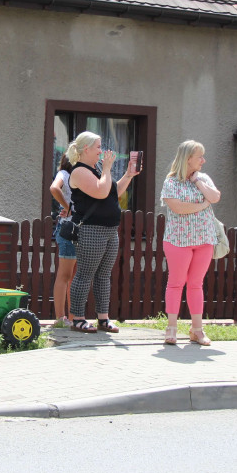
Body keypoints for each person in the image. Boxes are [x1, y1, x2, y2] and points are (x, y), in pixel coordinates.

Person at [66, 131, 139, 334]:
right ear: (86, 149)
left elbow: (113, 192)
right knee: (85, 274)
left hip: (109, 230)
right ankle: (78, 318)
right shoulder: (79, 171)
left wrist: (129, 175)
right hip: (91, 230)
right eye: (98, 147)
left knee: (104, 275)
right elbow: (100, 191)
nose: (101, 151)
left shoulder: (97, 169)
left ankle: (103, 318)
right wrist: (107, 168)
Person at [160, 140, 221, 346]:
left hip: (204, 239)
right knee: (176, 283)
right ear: (187, 159)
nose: (203, 160)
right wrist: (202, 204)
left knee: (196, 284)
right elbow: (178, 208)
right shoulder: (171, 182)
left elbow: (215, 197)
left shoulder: (202, 178)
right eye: (199, 157)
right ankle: (171, 329)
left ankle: (197, 330)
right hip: (178, 241)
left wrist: (199, 183)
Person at [49, 154, 76, 326]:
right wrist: (68, 208)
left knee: (74, 277)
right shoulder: (65, 174)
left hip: (77, 229)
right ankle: (60, 318)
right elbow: (54, 188)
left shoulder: (79, 176)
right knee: (65, 275)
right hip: (68, 229)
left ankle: (73, 318)